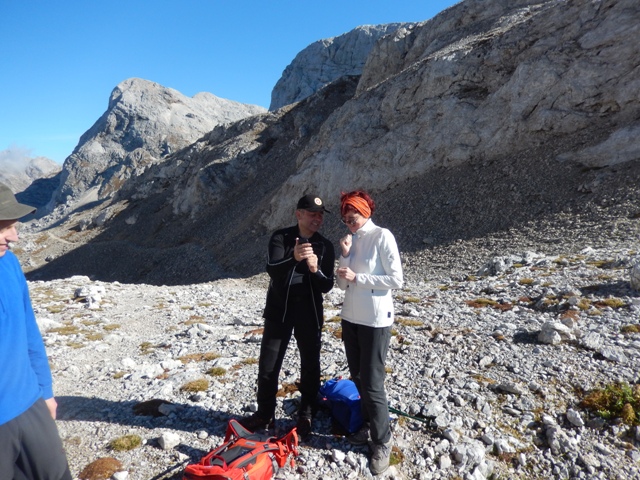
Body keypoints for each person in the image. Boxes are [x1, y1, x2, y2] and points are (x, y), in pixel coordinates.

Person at [240, 194, 335, 438]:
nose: (317, 218)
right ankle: (264, 414)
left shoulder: (325, 246)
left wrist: (314, 269)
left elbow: (327, 285)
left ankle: (307, 414)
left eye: (320, 215)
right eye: (312, 214)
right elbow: (272, 270)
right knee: (268, 365)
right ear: (298, 214)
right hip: (279, 311)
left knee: (311, 365)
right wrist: (293, 258)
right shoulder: (281, 238)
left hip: (309, 313)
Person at [0, 183, 72, 480]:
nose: (13, 236)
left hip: (30, 402)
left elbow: (29, 330)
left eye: (13, 226)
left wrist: (46, 392)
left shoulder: (9, 262)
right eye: (3, 227)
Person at [336, 190, 403, 476]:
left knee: (373, 384)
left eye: (353, 218)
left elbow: (396, 279)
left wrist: (358, 277)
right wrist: (345, 256)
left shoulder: (382, 236)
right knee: (358, 377)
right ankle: (367, 426)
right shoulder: (351, 241)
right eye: (346, 220)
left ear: (366, 213)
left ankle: (383, 440)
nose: (350, 224)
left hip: (375, 320)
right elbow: (342, 285)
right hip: (350, 318)